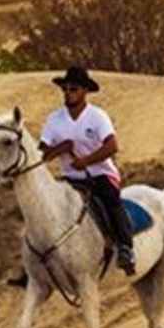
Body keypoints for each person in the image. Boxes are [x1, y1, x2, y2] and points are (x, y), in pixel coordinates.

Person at [38, 66, 137, 275]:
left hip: (100, 174)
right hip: (70, 178)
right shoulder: (54, 119)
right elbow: (44, 154)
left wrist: (86, 161)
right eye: (65, 89)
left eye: (73, 89)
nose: (68, 93)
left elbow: (112, 146)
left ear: (84, 91)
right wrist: (61, 148)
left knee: (111, 200)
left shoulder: (97, 117)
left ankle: (125, 248)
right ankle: (40, 258)